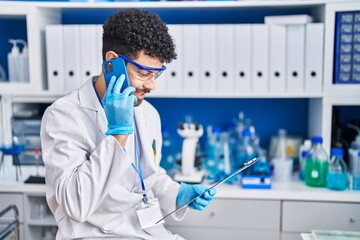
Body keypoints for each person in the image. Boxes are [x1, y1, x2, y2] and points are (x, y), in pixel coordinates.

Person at [40, 8, 216, 239]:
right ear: (112, 62)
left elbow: (149, 177)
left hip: (147, 230)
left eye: (156, 74)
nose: (151, 86)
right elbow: (76, 204)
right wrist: (117, 135)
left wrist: (179, 193)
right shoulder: (63, 115)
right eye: (143, 73)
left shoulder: (147, 113)